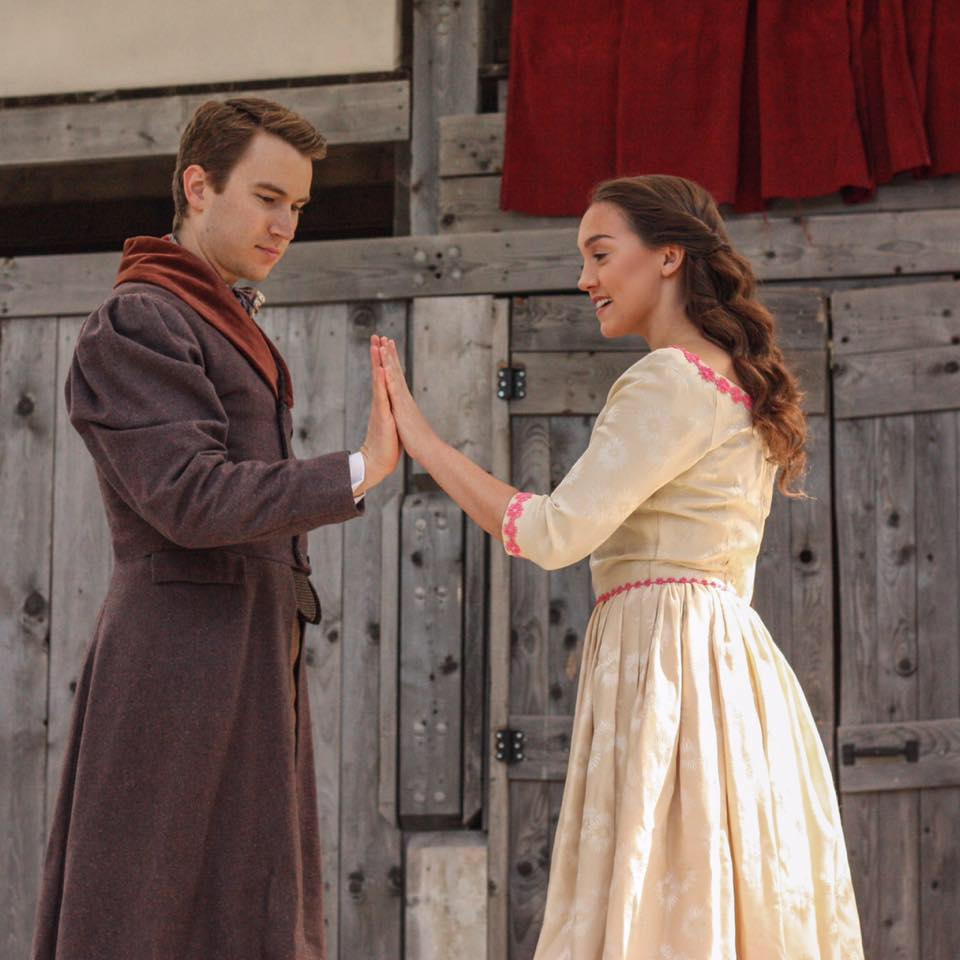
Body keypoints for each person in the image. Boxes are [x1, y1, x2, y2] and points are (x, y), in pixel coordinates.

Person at [376, 175, 866, 958]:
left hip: (672, 669)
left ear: (668, 255)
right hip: (727, 674)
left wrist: (423, 442)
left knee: (658, 912)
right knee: (715, 901)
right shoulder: (729, 381)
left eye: (601, 254)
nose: (585, 279)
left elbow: (552, 533)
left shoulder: (670, 377)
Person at [32, 98, 400, 960]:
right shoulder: (140, 319)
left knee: (248, 901)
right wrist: (359, 468)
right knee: (149, 911)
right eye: (268, 196)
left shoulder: (213, 315)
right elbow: (189, 498)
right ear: (198, 186)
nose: (285, 225)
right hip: (179, 659)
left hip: (246, 649)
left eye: (299, 207)